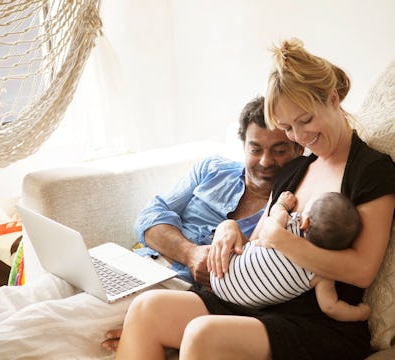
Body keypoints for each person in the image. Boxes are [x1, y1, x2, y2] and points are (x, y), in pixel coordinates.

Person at [114, 37, 395, 360]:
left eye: (305, 120)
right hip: (259, 301)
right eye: (288, 128)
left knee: (202, 335)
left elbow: (362, 269)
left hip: (318, 321)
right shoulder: (296, 169)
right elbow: (256, 245)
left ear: (333, 98)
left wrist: (281, 239)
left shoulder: (371, 171)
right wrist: (230, 229)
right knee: (146, 310)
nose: (300, 137)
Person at [101, 95, 303, 351]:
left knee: (45, 324)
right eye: (255, 149)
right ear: (243, 146)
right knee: (49, 290)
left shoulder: (285, 210)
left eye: (279, 150)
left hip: (176, 290)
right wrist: (190, 253)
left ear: (299, 149)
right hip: (139, 264)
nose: (265, 161)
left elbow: (255, 285)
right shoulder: (213, 169)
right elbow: (149, 216)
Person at [210, 191, 371, 322]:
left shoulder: (289, 224)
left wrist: (282, 205)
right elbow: (330, 307)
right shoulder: (322, 274)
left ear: (305, 222)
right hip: (241, 306)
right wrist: (359, 313)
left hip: (222, 272)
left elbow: (271, 220)